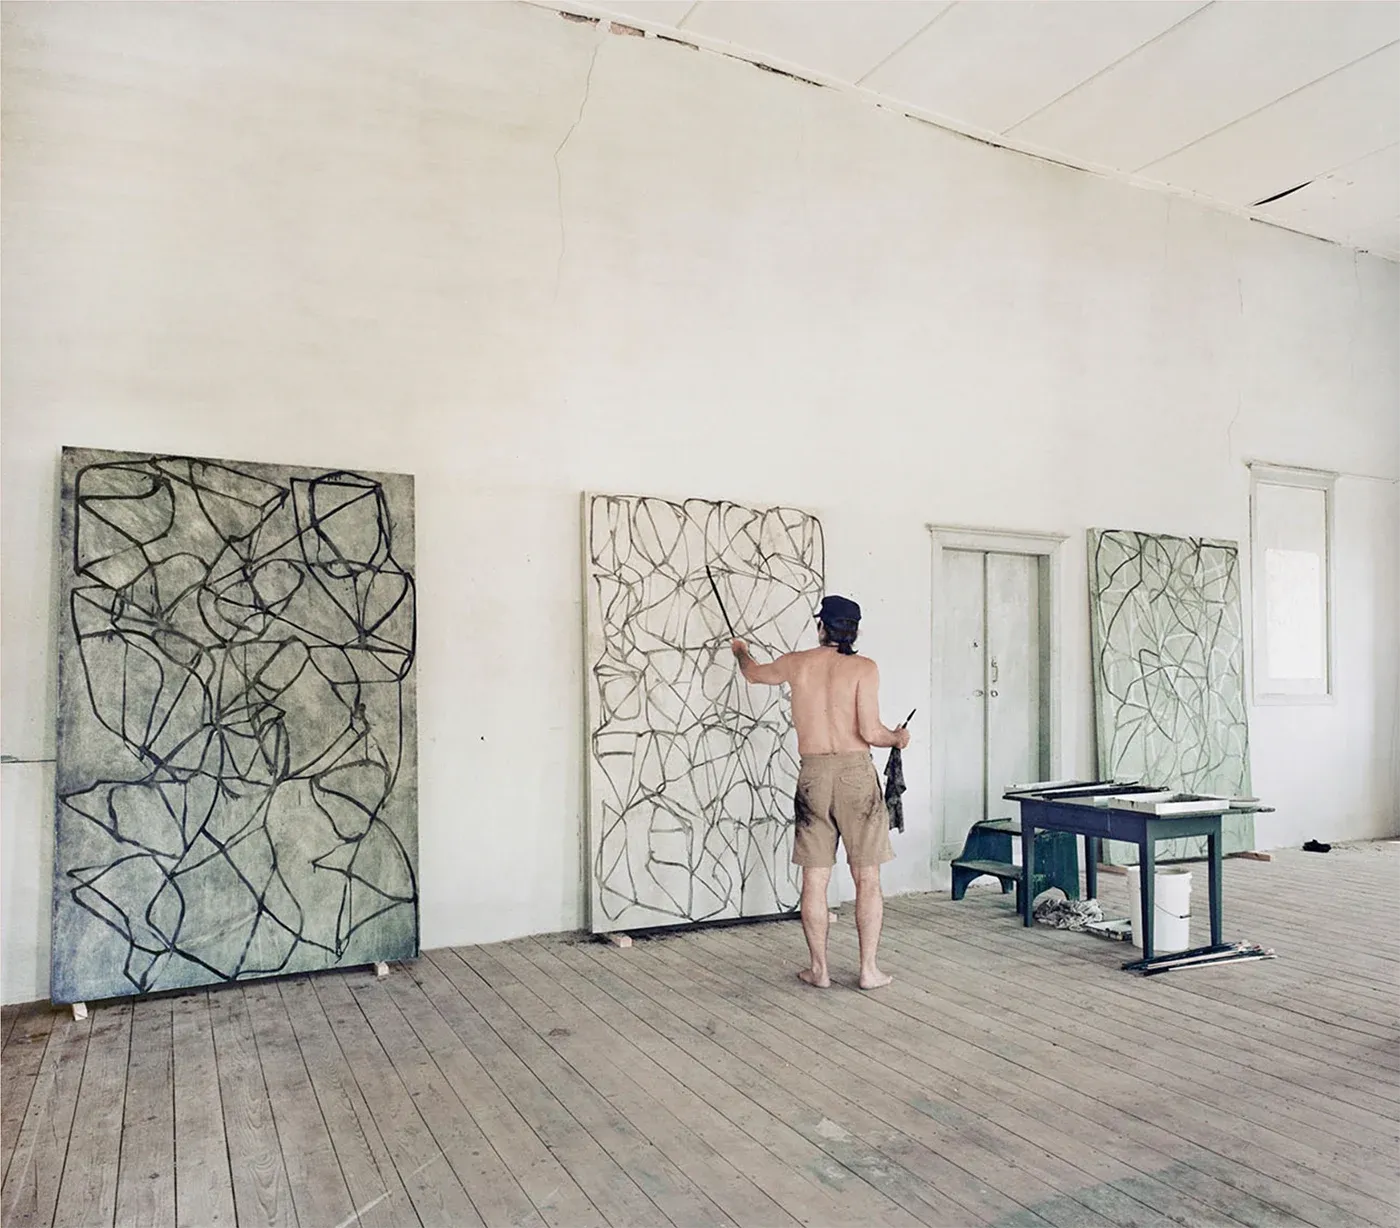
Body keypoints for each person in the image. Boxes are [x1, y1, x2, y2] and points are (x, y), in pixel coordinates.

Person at [731, 595, 909, 990]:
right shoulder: (864, 668)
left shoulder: (796, 663)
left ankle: (819, 970)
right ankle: (868, 971)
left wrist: (741, 650)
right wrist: (898, 738)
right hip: (855, 776)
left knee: (815, 878)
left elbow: (753, 674)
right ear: (855, 630)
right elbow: (870, 732)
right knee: (867, 877)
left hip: (812, 774)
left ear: (821, 627)